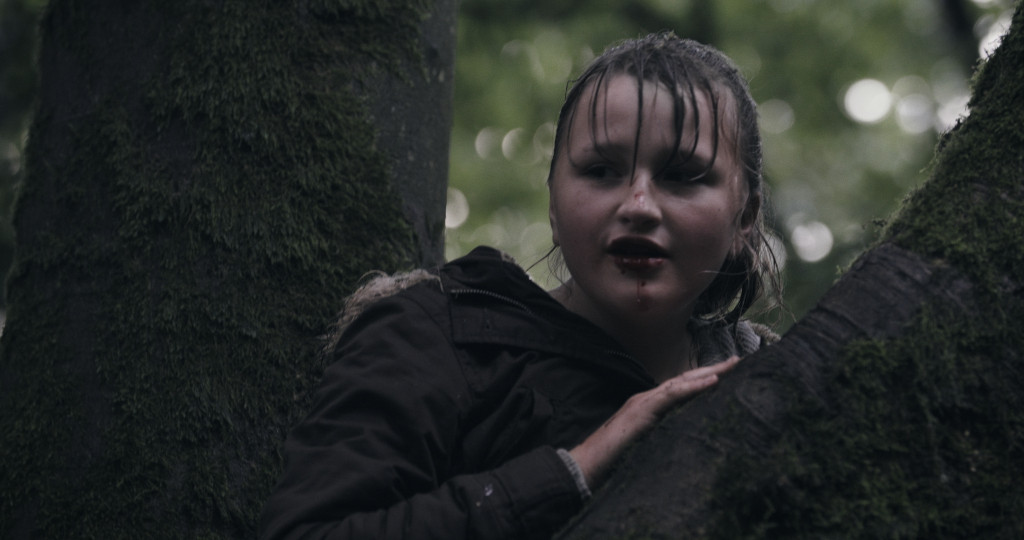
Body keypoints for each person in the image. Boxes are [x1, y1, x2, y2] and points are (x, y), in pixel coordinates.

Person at [260, 32, 781, 540]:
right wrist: (574, 471)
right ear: (553, 205)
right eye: (601, 171)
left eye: (682, 175)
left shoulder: (781, 391)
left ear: (744, 217)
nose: (638, 206)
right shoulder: (434, 337)